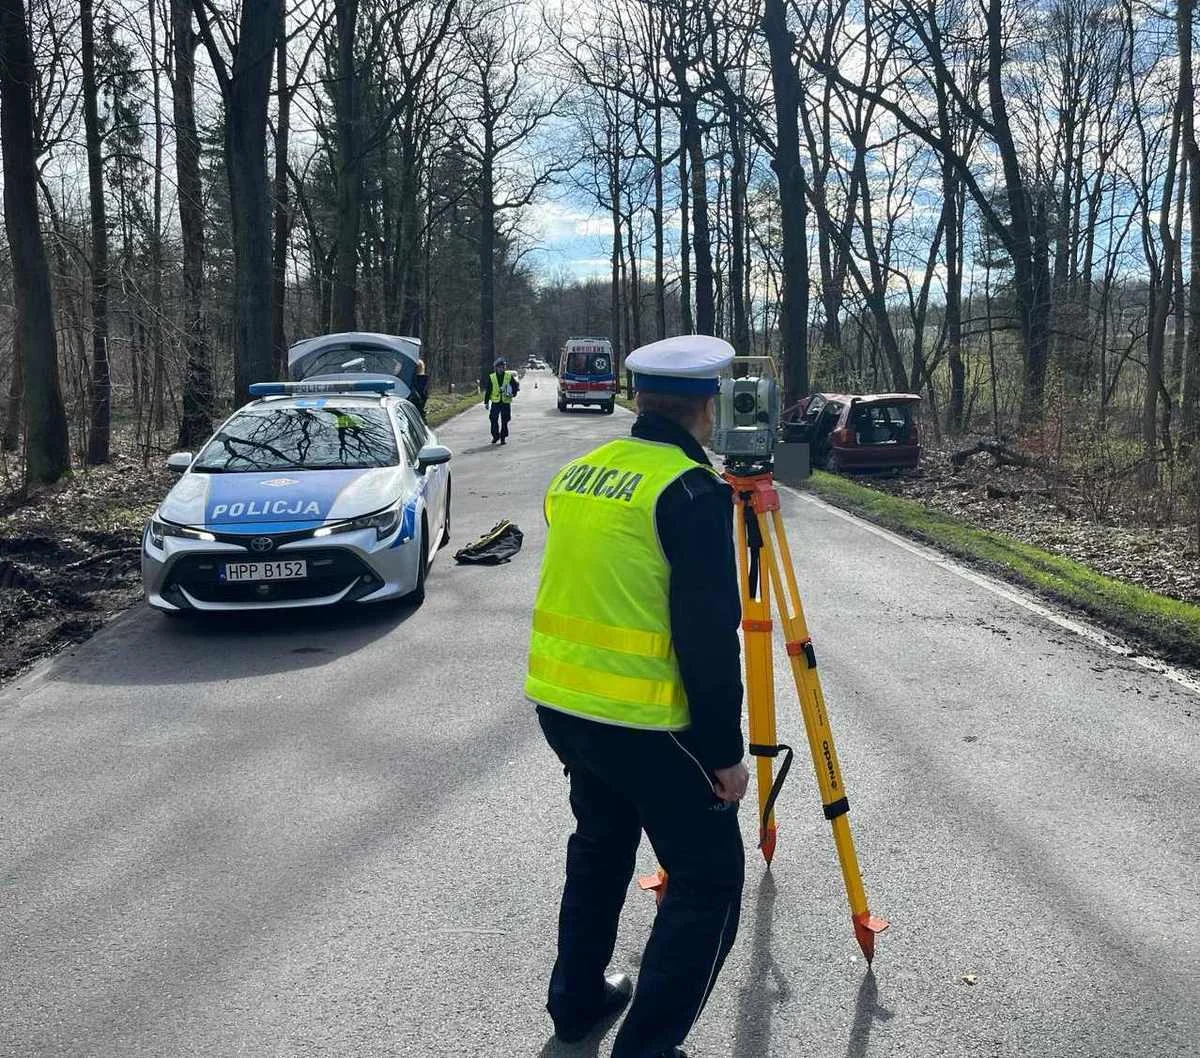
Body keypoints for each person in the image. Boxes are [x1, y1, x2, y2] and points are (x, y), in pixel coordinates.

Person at [527, 335, 748, 1058]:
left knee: (600, 846)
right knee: (708, 878)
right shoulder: (689, 490)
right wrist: (724, 754)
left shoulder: (581, 472)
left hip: (565, 707)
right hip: (649, 723)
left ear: (640, 396)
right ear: (708, 407)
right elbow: (710, 636)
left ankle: (578, 1002)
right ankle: (648, 1050)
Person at [482, 356, 519, 444]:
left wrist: (513, 393)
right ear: (496, 368)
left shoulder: (508, 376)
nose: (501, 369)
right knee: (493, 418)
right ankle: (495, 436)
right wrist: (486, 402)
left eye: (503, 367)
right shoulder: (492, 377)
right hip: (496, 402)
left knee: (505, 419)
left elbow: (515, 387)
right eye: (499, 367)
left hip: (505, 402)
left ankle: (503, 437)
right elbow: (488, 390)